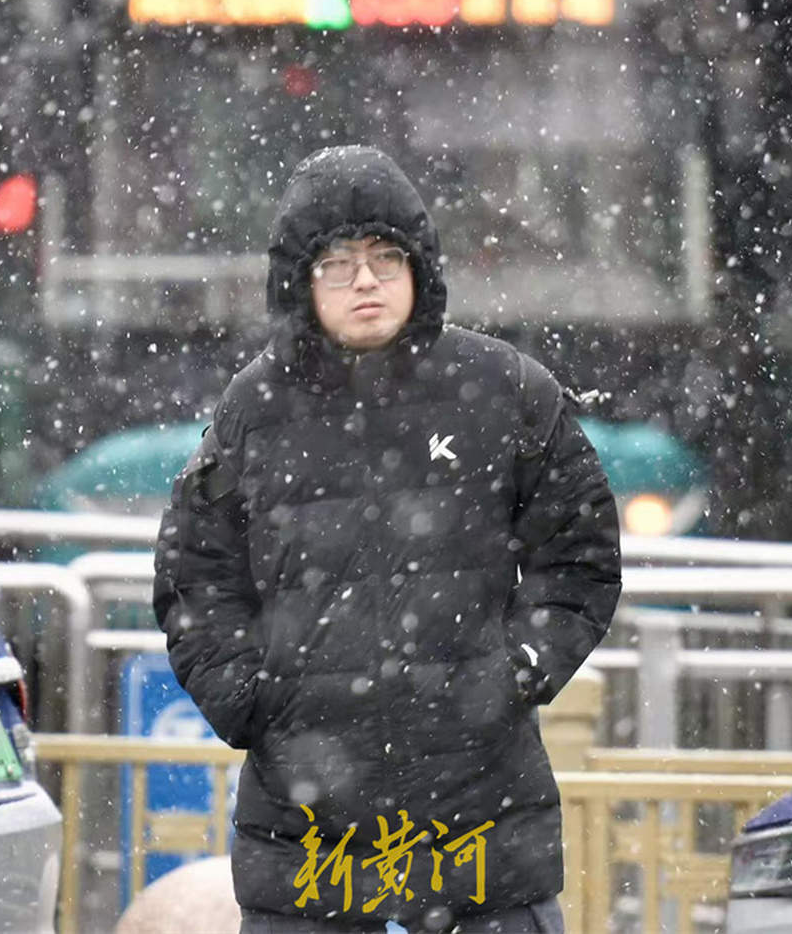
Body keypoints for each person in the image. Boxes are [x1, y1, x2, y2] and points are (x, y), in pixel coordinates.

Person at [154, 145, 621, 933]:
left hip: (481, 811)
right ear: (300, 282)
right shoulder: (252, 412)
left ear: (419, 267)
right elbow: (195, 574)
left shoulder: (504, 390)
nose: (365, 281)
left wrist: (514, 672)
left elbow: (580, 555)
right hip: (307, 828)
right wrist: (251, 702)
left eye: (385, 257)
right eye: (337, 264)